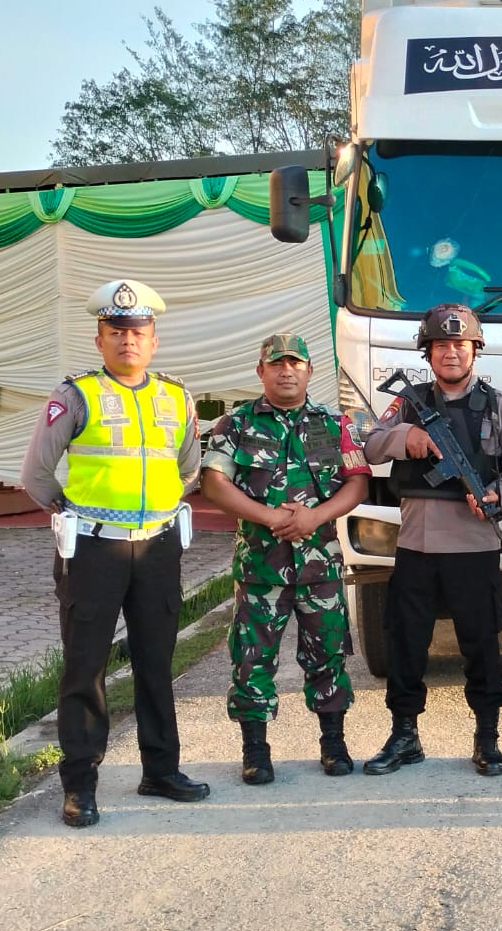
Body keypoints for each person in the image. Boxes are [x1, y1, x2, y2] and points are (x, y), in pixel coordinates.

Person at [20, 279, 209, 828]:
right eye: (117, 332)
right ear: (99, 339)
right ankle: (80, 784)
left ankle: (161, 770)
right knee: (86, 667)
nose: (129, 341)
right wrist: (74, 510)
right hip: (93, 549)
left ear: (154, 340)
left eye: (138, 332)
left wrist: (158, 510)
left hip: (158, 547)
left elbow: (189, 467)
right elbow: (36, 473)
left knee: (157, 661)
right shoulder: (74, 395)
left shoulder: (176, 397)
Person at [358, 303, 502, 776]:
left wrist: (497, 495)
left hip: (474, 546)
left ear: (475, 350)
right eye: (441, 345)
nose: (451, 352)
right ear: (428, 353)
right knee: (406, 643)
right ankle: (404, 734)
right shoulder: (408, 403)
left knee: (481, 643)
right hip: (416, 544)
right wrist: (406, 438)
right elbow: (370, 445)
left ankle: (487, 736)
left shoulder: (498, 405)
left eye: (459, 344)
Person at [199, 333, 369, 785]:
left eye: (295, 363)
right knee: (252, 660)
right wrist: (272, 517)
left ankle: (333, 743)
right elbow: (214, 483)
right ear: (261, 371)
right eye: (277, 364)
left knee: (328, 655)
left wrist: (314, 517)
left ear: (310, 370)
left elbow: (357, 482)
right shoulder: (236, 424)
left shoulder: (334, 424)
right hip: (261, 568)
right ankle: (255, 750)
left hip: (320, 566)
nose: (286, 371)